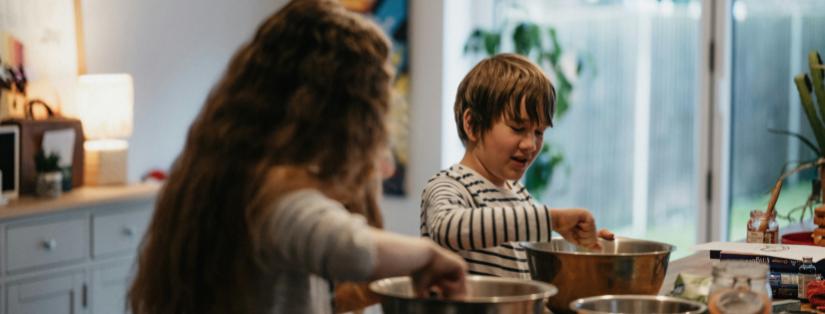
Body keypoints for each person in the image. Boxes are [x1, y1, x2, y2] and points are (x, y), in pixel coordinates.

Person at [127, 1, 466, 313]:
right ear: (339, 115)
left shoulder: (226, 172)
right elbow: (351, 247)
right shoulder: (272, 192)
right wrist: (429, 255)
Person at [420, 53, 613, 279]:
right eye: (518, 128)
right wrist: (553, 220)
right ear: (472, 125)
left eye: (539, 132)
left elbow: (528, 238)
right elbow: (448, 227)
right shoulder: (448, 186)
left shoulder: (521, 197)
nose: (531, 144)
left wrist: (581, 243)